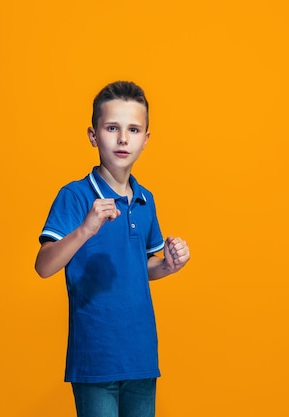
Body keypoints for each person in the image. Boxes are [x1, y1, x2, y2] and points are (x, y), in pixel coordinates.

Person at [35, 81, 190, 417]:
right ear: (93, 135)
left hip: (142, 354)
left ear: (146, 139)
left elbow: (143, 266)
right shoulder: (75, 196)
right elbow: (44, 266)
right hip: (95, 355)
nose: (123, 139)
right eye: (112, 128)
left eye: (133, 129)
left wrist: (168, 265)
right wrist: (85, 229)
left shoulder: (146, 200)